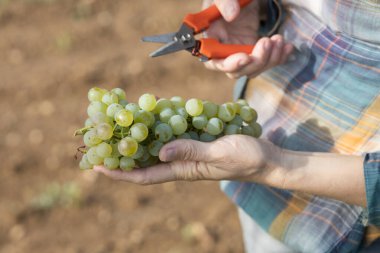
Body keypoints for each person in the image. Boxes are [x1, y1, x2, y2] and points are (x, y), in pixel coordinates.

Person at [94, 0, 380, 252]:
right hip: (271, 138)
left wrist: (273, 166)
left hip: (354, 211)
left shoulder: (260, 161)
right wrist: (258, 8)